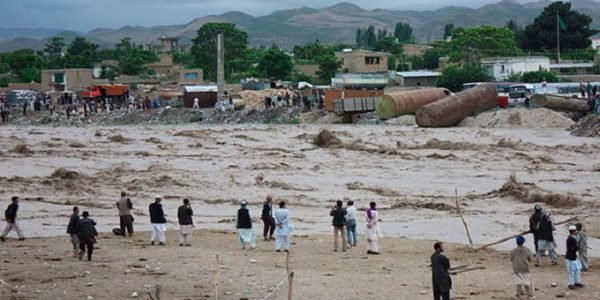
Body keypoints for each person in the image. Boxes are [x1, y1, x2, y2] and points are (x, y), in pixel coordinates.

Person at [566, 225, 584, 289]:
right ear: (573, 232)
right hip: (571, 257)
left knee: (577, 269)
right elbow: (574, 248)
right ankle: (571, 284)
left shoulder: (572, 238)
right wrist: (578, 247)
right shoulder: (571, 239)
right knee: (571, 271)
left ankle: (576, 282)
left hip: (575, 257)